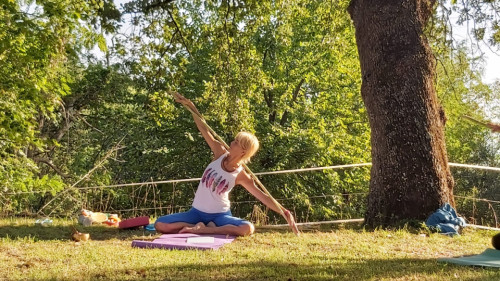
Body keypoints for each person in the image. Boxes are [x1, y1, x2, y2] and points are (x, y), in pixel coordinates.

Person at [154, 93, 299, 236]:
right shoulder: (219, 152)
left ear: (243, 151)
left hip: (219, 216)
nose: (231, 143)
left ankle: (206, 230)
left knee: (248, 228)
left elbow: (263, 197)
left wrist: (284, 212)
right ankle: (198, 226)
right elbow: (204, 128)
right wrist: (191, 106)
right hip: (196, 213)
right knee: (160, 224)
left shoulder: (241, 174)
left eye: (236, 142)